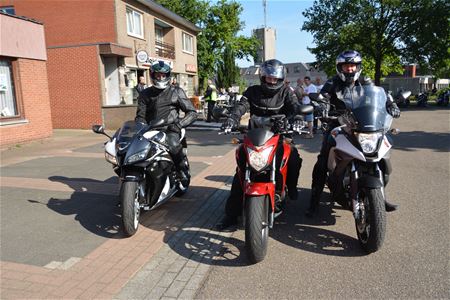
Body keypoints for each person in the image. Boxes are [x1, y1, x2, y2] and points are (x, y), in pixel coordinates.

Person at [306, 50, 401, 217]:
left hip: (363, 124)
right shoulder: (332, 82)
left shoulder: (365, 81)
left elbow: (382, 96)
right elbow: (323, 96)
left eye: (353, 66)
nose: (350, 69)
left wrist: (391, 104)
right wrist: (321, 105)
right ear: (340, 68)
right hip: (338, 124)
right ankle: (314, 201)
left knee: (381, 155)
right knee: (322, 161)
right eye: (346, 66)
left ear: (358, 67)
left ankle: (379, 197)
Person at [217, 59, 303, 229]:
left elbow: (295, 107)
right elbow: (241, 106)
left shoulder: (286, 92)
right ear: (262, 78)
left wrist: (297, 118)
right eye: (268, 78)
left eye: (275, 79)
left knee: (293, 157)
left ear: (280, 79)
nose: (271, 81)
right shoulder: (252, 91)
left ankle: (291, 187)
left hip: (279, 134)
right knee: (241, 171)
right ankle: (231, 215)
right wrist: (232, 119)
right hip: (254, 136)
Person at [135, 61, 197, 180]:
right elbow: (140, 116)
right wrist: (139, 126)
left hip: (170, 128)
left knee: (173, 145)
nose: (161, 78)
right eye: (158, 75)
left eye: (163, 75)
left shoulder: (176, 91)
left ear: (168, 75)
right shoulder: (145, 94)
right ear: (152, 75)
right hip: (150, 129)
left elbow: (192, 113)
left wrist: (179, 125)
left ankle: (182, 171)